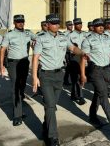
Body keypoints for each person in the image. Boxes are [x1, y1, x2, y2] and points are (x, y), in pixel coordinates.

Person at [32, 14, 85, 146]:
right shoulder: (41, 38)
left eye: (57, 23)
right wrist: (34, 77)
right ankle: (53, 137)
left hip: (59, 75)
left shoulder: (63, 37)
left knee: (52, 106)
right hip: (46, 76)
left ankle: (46, 126)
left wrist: (83, 53)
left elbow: (73, 48)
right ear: (48, 25)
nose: (56, 25)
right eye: (53, 23)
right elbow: (35, 58)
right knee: (50, 105)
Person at [0, 14, 36, 126]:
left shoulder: (28, 33)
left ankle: (19, 107)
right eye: (18, 21)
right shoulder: (9, 34)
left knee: (21, 87)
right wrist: (1, 65)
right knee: (15, 88)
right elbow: (2, 49)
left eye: (22, 21)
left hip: (24, 63)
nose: (21, 23)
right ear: (14, 23)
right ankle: (17, 115)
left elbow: (39, 39)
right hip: (13, 63)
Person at [67, 18, 86, 105]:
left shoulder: (84, 34)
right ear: (75, 25)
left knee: (77, 78)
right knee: (77, 78)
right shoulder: (70, 35)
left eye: (81, 24)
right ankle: (80, 96)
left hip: (83, 57)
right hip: (74, 58)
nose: (80, 25)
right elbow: (67, 47)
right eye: (78, 24)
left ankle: (73, 94)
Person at [63, 21, 73, 86]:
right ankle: (65, 80)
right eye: (69, 25)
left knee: (72, 67)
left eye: (72, 25)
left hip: (73, 52)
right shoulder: (64, 34)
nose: (71, 26)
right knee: (69, 67)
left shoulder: (74, 33)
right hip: (67, 52)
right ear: (66, 26)